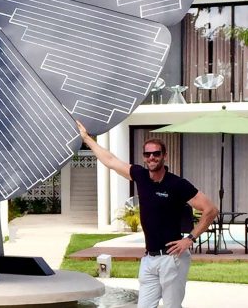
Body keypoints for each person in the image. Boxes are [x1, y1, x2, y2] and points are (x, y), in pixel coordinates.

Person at [76, 121, 218, 308]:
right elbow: (110, 160)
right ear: (144, 157)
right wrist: (87, 139)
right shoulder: (140, 176)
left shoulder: (177, 184)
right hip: (149, 259)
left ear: (164, 156)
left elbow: (211, 210)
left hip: (171, 259)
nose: (152, 157)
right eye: (147, 154)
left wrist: (190, 238)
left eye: (156, 153)